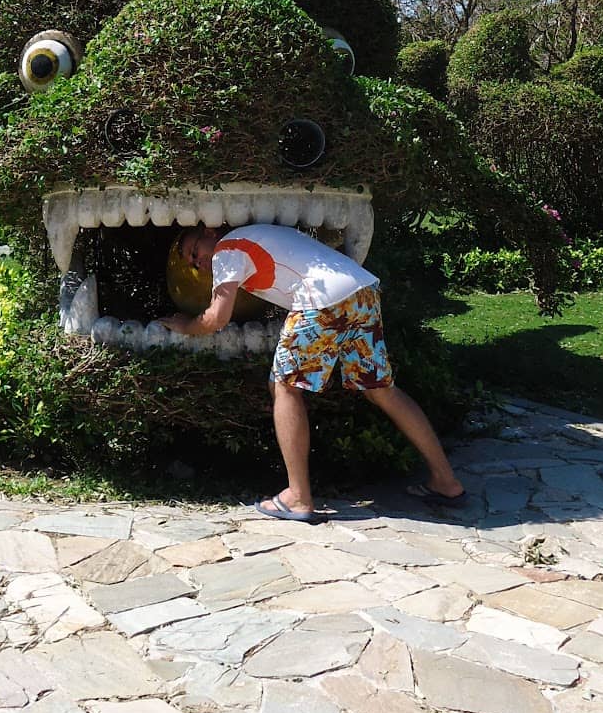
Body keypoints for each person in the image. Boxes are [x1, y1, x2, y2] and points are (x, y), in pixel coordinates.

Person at [161, 223, 465, 523]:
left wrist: (185, 325)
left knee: (284, 387)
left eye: (193, 251)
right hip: (362, 292)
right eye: (192, 262)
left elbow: (217, 317)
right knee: (382, 390)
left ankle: (297, 497)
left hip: (320, 301)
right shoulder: (258, 234)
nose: (197, 262)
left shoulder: (227, 248)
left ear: (209, 232)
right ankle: (446, 481)